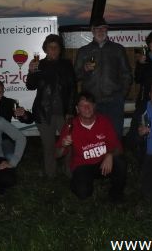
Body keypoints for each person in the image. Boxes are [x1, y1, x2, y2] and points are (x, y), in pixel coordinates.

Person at [55, 92, 126, 202]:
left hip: (103, 162)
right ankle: (77, 182)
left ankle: (115, 194)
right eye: (82, 105)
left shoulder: (104, 121)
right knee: (83, 193)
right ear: (77, 109)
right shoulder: (70, 126)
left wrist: (109, 155)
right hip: (83, 165)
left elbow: (118, 148)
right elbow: (56, 154)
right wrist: (63, 146)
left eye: (90, 104)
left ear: (95, 106)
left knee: (120, 163)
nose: (87, 108)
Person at [26, 34, 76, 178]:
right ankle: (51, 175)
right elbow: (30, 86)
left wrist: (71, 110)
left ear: (60, 49)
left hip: (64, 113)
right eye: (50, 47)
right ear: (45, 49)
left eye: (56, 47)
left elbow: (73, 88)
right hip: (43, 112)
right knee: (48, 147)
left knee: (69, 144)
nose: (53, 50)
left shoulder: (67, 65)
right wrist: (31, 71)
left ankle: (69, 171)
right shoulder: (39, 65)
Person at [74, 18, 132, 138]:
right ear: (92, 30)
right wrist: (84, 69)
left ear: (107, 29)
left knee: (115, 135)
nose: (100, 31)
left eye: (103, 28)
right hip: (91, 103)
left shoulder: (118, 49)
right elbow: (75, 76)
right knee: (93, 136)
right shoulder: (83, 51)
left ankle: (115, 157)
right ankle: (97, 157)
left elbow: (126, 74)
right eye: (97, 28)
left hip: (114, 101)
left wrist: (121, 96)